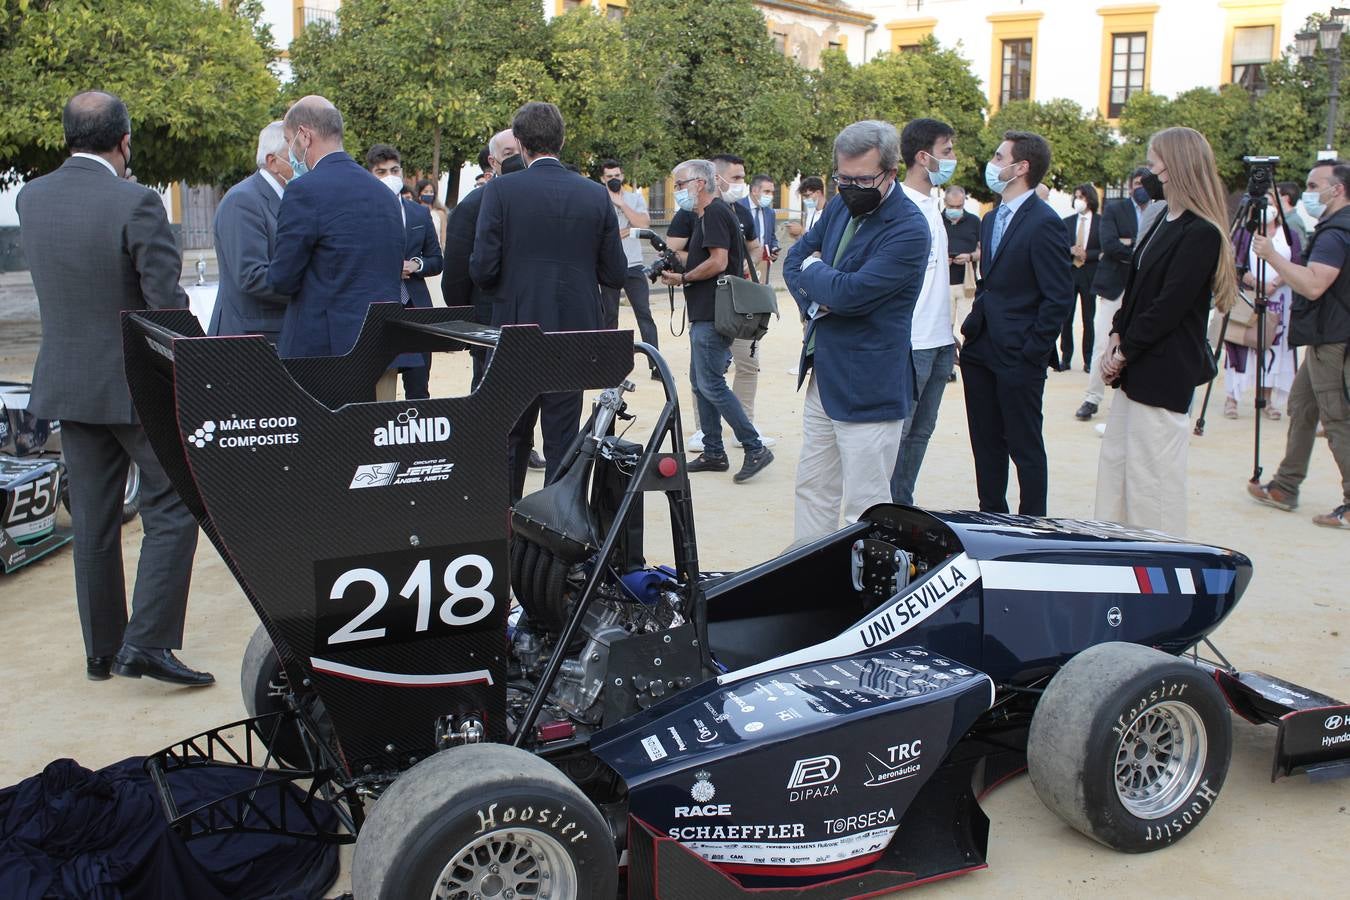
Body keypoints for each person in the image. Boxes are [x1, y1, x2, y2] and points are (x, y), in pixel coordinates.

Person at [16, 91, 211, 686]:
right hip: (132, 388)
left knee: (95, 522)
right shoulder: (137, 202)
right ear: (124, 141)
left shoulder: (31, 197)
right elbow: (164, 307)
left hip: (68, 384)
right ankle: (146, 644)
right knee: (174, 508)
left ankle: (101, 650)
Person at [470, 101, 627, 501]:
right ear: (562, 140)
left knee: (511, 435)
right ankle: (555, 532)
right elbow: (614, 273)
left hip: (517, 331)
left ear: (520, 144)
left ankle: (506, 524)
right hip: (573, 334)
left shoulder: (501, 190)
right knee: (563, 436)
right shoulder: (594, 195)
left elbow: (483, 270)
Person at [785, 120, 929, 541]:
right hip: (823, 375)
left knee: (864, 506)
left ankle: (859, 595)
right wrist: (818, 291)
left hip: (870, 388)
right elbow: (794, 261)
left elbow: (852, 294)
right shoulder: (838, 206)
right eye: (842, 178)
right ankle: (804, 575)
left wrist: (819, 276)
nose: (851, 187)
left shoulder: (908, 229)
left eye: (863, 179)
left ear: (891, 172)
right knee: (813, 488)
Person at [1095, 126, 1236, 536]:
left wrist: (1123, 352)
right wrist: (1116, 337)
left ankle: (1158, 566)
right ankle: (1118, 554)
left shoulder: (1201, 233)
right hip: (1136, 368)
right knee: (1119, 468)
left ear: (1174, 165)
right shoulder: (1161, 219)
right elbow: (1136, 291)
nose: (1149, 168)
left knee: (1153, 484)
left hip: (1164, 371)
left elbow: (1169, 307)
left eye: (1155, 158)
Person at [960, 131, 1073, 517]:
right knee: (986, 442)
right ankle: (991, 516)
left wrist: (1032, 351)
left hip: (1019, 355)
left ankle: (1032, 526)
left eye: (998, 156)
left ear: (1021, 167)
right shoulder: (991, 218)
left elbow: (1058, 295)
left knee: (1024, 444)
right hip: (981, 349)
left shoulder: (1045, 222)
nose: (991, 163)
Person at [1247, 158, 1350, 529]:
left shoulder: (1337, 232)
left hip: (1332, 338)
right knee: (1303, 406)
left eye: (1312, 185)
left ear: (1336, 189)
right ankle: (1286, 486)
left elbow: (1314, 284)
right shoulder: (1336, 226)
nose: (1308, 192)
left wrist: (1272, 256)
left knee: (1337, 418)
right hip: (1327, 334)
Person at [659, 158, 774, 483]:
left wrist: (684, 278)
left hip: (712, 312)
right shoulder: (714, 214)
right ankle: (713, 451)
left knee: (710, 383)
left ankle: (754, 447)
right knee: (701, 381)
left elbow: (718, 262)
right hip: (706, 311)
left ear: (699, 183)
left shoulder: (713, 214)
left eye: (680, 185)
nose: (677, 191)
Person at [268, 96, 403, 369]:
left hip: (323, 351)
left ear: (304, 135)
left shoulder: (304, 190)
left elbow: (283, 278)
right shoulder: (384, 193)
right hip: (380, 344)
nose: (289, 150)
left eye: (288, 139)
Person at [891, 117, 958, 506]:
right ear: (923, 156)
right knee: (898, 433)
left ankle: (903, 504)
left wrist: (949, 332)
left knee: (921, 432)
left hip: (939, 342)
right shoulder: (900, 207)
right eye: (946, 151)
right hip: (910, 343)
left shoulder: (934, 204)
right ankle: (883, 511)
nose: (952, 159)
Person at [1075, 166, 1163, 421]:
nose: (1141, 188)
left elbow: (1156, 249)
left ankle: (1130, 400)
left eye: (1145, 183)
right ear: (1129, 185)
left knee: (1138, 343)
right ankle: (1092, 397)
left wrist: (1131, 244)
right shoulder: (1114, 210)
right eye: (1137, 183)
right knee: (1104, 342)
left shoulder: (1161, 211)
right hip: (1115, 286)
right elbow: (1111, 246)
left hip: (1145, 288)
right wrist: (1138, 249)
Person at [366, 145, 444, 401]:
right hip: (377, 307)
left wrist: (416, 265)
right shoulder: (362, 213)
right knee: (377, 388)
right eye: (381, 171)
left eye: (394, 170)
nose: (390, 175)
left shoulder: (419, 213)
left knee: (419, 388)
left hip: (415, 307)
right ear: (370, 174)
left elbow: (436, 260)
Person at [443, 132, 518, 386]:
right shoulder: (473, 206)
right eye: (508, 154)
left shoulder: (543, 198)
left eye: (521, 151)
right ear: (492, 161)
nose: (517, 159)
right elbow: (456, 275)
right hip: (489, 320)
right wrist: (468, 322)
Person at [208, 120, 293, 342]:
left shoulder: (286, 199)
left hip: (274, 335)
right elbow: (251, 275)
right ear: (272, 161)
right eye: (295, 154)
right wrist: (312, 290)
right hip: (248, 341)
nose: (302, 161)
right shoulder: (243, 200)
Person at [1223, 190, 1300, 419]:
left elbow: (1297, 261)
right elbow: (1235, 262)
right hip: (1249, 298)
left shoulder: (1289, 234)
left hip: (1280, 299)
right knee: (1242, 343)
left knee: (1273, 348)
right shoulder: (1245, 234)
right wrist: (1254, 282)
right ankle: (1232, 398)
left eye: (1271, 200)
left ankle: (1266, 399)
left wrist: (1276, 282)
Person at [597, 159, 660, 376]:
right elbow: (601, 234)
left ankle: (655, 365)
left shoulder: (633, 198)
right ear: (602, 179)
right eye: (609, 177)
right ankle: (606, 365)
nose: (614, 180)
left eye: (617, 176)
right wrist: (626, 230)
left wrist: (622, 204)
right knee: (609, 316)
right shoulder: (598, 199)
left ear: (622, 176)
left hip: (634, 265)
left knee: (644, 313)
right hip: (608, 265)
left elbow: (643, 224)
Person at [1059, 183, 1101, 372]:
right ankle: (1065, 358)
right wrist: (1070, 250)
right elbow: (1058, 247)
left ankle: (1088, 359)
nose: (1078, 201)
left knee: (1088, 318)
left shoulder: (1101, 222)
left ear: (1090, 199)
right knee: (1066, 318)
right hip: (1070, 273)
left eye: (1082, 197)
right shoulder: (1067, 222)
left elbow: (1104, 248)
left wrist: (1088, 254)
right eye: (1076, 197)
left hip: (1089, 273)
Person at [943, 185, 980, 351]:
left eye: (959, 206)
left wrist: (970, 257)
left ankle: (968, 359)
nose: (955, 210)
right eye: (951, 207)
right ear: (945, 202)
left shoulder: (974, 221)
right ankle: (948, 364)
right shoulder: (936, 220)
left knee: (969, 325)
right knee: (944, 327)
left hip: (968, 284)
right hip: (943, 284)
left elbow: (983, 250)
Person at [746, 174, 779, 282]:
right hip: (743, 265)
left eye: (772, 192)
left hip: (763, 266)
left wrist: (774, 249)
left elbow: (771, 236)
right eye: (767, 192)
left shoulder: (770, 213)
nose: (770, 196)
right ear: (754, 190)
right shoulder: (737, 207)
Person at [786, 176, 825, 241]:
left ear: (818, 193)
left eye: (807, 196)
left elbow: (823, 240)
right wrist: (796, 235)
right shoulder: (811, 212)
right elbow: (805, 241)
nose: (804, 199)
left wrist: (801, 230)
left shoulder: (830, 213)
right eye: (803, 196)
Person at [415, 178, 448, 248]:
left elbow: (443, 239)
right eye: (426, 191)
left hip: (436, 251)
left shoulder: (440, 214)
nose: (429, 194)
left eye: (431, 192)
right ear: (419, 193)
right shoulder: (414, 212)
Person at [1277, 180, 1308, 247]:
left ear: (1286, 198)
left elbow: (1300, 248)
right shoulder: (1286, 219)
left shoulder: (1292, 221)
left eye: (1276, 195)